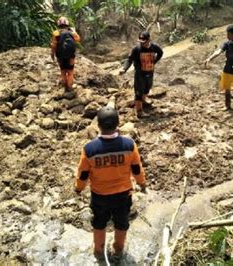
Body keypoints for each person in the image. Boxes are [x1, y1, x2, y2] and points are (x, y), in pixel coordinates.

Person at [75, 106, 147, 260]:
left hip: (100, 196)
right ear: (117, 125)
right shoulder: (129, 145)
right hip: (122, 195)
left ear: (98, 126)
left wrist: (78, 189)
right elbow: (136, 168)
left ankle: (99, 252)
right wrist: (142, 183)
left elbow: (83, 175)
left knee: (99, 223)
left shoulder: (89, 149)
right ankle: (118, 249)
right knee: (122, 222)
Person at [119, 31, 163, 118]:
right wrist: (124, 69)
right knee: (139, 91)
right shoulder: (136, 49)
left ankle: (143, 100)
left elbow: (161, 53)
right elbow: (129, 60)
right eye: (140, 41)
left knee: (147, 88)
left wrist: (154, 61)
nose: (141, 43)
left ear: (149, 40)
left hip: (150, 72)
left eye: (144, 42)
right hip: (140, 74)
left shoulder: (154, 47)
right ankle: (139, 111)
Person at [50, 17, 81, 92]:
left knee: (63, 71)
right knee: (70, 71)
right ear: (67, 24)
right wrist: (74, 31)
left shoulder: (56, 33)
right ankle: (70, 88)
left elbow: (54, 45)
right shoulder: (71, 32)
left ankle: (65, 87)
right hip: (70, 55)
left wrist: (52, 54)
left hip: (60, 55)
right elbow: (78, 39)